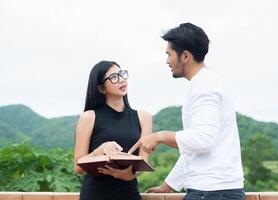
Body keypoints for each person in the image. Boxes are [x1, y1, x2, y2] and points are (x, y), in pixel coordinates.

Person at [129, 23, 245, 200]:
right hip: (212, 191)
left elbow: (202, 138)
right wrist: (168, 186)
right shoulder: (206, 82)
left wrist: (159, 136)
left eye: (169, 54)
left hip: (212, 192)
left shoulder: (204, 86)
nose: (167, 60)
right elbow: (194, 148)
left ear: (185, 56)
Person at [74, 60, 152, 200]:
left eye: (121, 74)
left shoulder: (144, 117)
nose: (121, 80)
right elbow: (78, 167)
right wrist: (99, 150)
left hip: (129, 194)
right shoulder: (88, 117)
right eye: (114, 77)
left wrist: (131, 175)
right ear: (101, 88)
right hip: (95, 195)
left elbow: (142, 163)